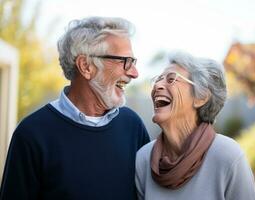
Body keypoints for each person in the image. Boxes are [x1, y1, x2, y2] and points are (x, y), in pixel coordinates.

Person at [0, 16, 150, 200]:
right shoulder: (32, 134)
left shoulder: (133, 127)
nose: (134, 73)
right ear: (86, 66)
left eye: (133, 62)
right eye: (125, 61)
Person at [135, 51, 255, 200]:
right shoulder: (144, 158)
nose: (158, 86)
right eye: (158, 79)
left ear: (201, 98)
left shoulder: (228, 156)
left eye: (171, 79)